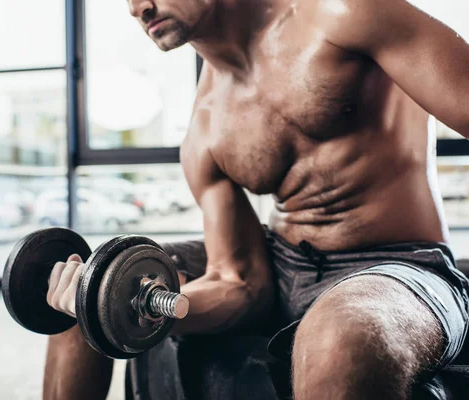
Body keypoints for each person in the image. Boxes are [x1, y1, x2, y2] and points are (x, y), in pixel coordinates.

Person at [44, 0, 469, 399]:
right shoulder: (205, 128)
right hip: (281, 263)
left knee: (338, 334)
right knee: (89, 287)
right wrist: (133, 307)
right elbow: (241, 281)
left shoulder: (341, 14)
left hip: (402, 265)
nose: (139, 8)